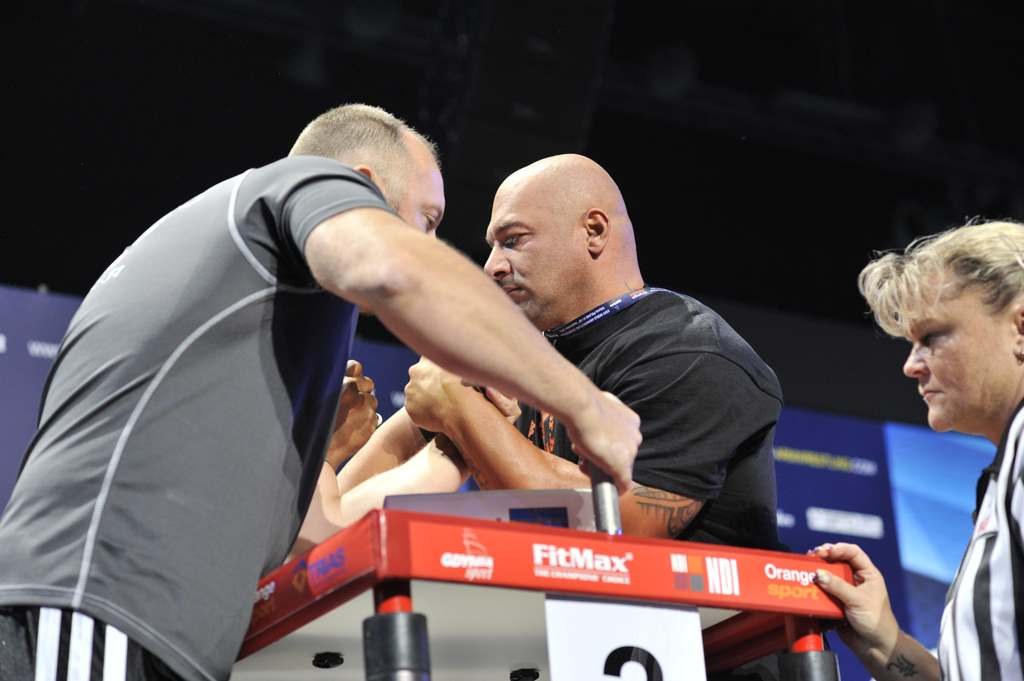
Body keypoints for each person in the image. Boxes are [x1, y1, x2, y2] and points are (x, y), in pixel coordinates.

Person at [0, 106, 640, 681]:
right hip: (95, 608)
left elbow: (325, 526)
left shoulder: (263, 314)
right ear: (361, 184)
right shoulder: (296, 185)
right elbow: (392, 269)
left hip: (142, 630)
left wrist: (457, 441)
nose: (432, 245)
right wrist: (581, 401)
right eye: (428, 220)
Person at [333, 153, 784, 545]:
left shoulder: (689, 354)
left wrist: (461, 412)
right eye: (492, 246)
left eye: (513, 240)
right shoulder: (512, 354)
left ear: (593, 231)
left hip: (701, 641)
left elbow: (618, 532)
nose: (492, 265)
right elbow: (337, 515)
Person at [812, 219, 1024, 681]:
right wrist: (883, 639)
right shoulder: (1002, 475)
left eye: (932, 337)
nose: (911, 366)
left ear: (1021, 326)